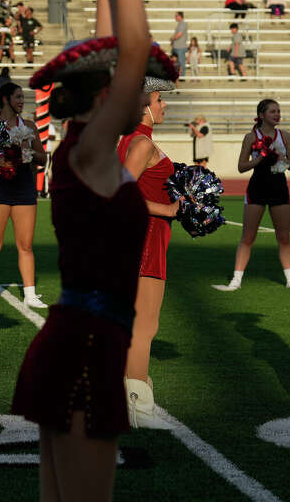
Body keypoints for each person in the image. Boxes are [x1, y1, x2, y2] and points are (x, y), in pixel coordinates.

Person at [13, 0, 172, 500]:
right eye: (120, 84)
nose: (136, 82)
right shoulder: (88, 148)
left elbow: (113, 49)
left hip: (83, 339)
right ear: (102, 99)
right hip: (85, 345)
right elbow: (131, 52)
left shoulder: (88, 145)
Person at [119, 75, 179, 428]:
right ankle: (138, 406)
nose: (163, 105)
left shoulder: (133, 139)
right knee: (145, 326)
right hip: (146, 236)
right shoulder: (140, 142)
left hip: (143, 235)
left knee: (137, 325)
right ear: (144, 105)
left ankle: (132, 397)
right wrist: (168, 210)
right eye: (158, 100)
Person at [216, 98, 290, 292]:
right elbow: (241, 167)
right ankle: (236, 280)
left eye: (278, 111)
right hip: (257, 187)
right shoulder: (251, 137)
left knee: (284, 237)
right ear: (262, 115)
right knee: (248, 236)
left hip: (279, 187)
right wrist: (261, 158)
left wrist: (281, 158)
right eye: (272, 111)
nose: (277, 115)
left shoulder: (286, 136)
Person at [0, 81, 47, 310]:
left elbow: (43, 159)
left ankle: (30, 294)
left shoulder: (28, 125)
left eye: (22, 97)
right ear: (5, 99)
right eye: (17, 97)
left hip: (24, 186)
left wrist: (24, 151)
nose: (21, 101)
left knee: (25, 245)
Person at [170, 11, 188, 75]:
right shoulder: (180, 24)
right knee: (176, 62)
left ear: (180, 16)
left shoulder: (183, 24)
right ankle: (178, 75)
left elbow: (179, 34)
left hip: (180, 47)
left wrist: (172, 38)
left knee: (181, 62)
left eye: (176, 16)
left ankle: (182, 76)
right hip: (177, 46)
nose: (175, 17)